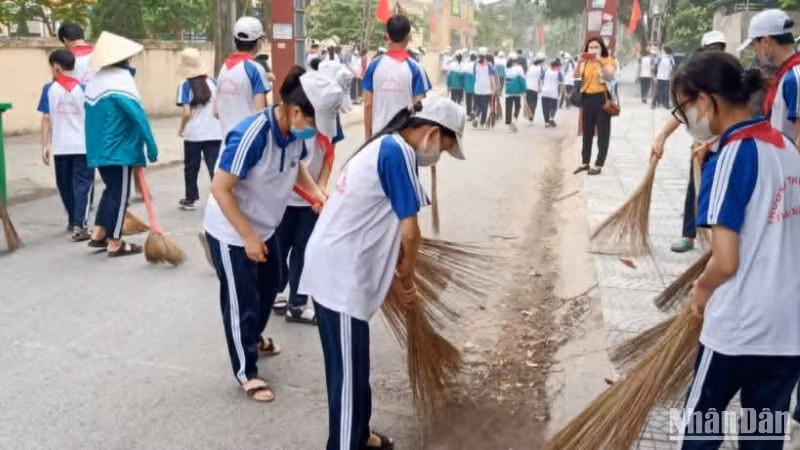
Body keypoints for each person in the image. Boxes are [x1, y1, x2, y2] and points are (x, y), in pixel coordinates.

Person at [298, 96, 466, 450]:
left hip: (344, 269)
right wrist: (408, 276)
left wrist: (397, 273)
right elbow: (409, 231)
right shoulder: (397, 152)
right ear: (433, 133)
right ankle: (346, 442)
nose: (440, 156)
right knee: (347, 375)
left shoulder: (387, 146)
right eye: (445, 147)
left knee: (355, 365)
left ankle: (359, 435)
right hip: (338, 277)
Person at [672, 50, 800, 447]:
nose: (685, 119)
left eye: (684, 108)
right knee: (763, 437)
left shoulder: (732, 156)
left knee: (700, 429)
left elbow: (725, 261)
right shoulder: (786, 147)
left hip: (739, 327)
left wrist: (703, 288)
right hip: (789, 328)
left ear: (706, 101)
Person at [203, 67, 340, 403]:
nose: (313, 132)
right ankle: (246, 371)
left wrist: (320, 197)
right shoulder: (252, 135)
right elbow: (221, 189)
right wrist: (248, 237)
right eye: (312, 122)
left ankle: (254, 336)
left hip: (265, 226)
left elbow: (298, 169)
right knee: (241, 300)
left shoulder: (294, 136)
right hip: (233, 230)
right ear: (295, 112)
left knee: (272, 282)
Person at [651, 32, 733, 253]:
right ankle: (688, 234)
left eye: (719, 49)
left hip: (728, 146)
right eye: (711, 49)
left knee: (722, 193)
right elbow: (681, 114)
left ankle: (720, 240)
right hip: (701, 146)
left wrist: (715, 141)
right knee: (694, 188)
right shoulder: (696, 82)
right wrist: (661, 137)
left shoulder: (731, 81)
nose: (716, 53)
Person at [84, 32, 158, 257]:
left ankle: (98, 233)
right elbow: (137, 115)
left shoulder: (95, 81)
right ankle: (115, 242)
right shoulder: (121, 81)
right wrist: (151, 146)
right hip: (120, 149)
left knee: (111, 189)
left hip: (98, 149)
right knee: (120, 194)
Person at [37, 49, 93, 241]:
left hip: (60, 146)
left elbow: (45, 118)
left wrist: (45, 145)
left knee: (65, 185)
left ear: (56, 67)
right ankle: (80, 224)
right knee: (82, 185)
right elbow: (92, 119)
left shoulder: (48, 89)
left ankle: (73, 220)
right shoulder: (85, 90)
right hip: (83, 146)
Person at [362, 14, 431, 138]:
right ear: (409, 36)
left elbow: (368, 103)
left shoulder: (373, 66)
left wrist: (368, 137)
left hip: (378, 137)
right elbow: (419, 108)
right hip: (405, 140)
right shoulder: (416, 69)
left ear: (387, 36)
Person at [739, 8, 800, 144]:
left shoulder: (795, 77)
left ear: (766, 42)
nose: (754, 50)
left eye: (754, 44)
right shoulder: (784, 75)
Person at [176, 48, 222, 211]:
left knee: (191, 168)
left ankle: (191, 199)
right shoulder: (214, 83)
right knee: (214, 167)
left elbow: (187, 112)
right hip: (214, 132)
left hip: (193, 134)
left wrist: (181, 128)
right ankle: (220, 198)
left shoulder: (185, 85)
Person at [215, 16, 270, 141]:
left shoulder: (224, 68)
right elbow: (260, 113)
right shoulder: (255, 69)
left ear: (235, 40)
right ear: (258, 42)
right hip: (248, 142)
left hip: (226, 141)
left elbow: (216, 111)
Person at [574, 38, 615, 176]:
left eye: (596, 47)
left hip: (601, 99)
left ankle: (598, 164)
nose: (593, 50)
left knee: (603, 133)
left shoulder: (607, 60)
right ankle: (585, 162)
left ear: (601, 48)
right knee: (587, 132)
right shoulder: (586, 62)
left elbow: (609, 77)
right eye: (590, 47)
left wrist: (600, 62)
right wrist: (579, 61)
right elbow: (576, 76)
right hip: (587, 99)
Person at [472, 47, 496, 129]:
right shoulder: (489, 65)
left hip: (477, 88)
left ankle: (476, 117)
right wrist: (494, 88)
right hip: (486, 89)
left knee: (479, 105)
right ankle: (482, 123)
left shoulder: (475, 64)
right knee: (485, 106)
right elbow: (492, 78)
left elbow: (475, 74)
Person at [504, 56, 526, 132]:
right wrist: (523, 91)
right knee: (517, 106)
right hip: (517, 91)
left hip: (508, 90)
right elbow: (522, 80)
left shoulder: (507, 68)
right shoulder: (519, 68)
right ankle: (514, 119)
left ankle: (508, 124)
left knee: (508, 107)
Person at [540, 59, 564, 128]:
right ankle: (551, 117)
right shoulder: (558, 73)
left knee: (545, 108)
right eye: (558, 66)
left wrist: (540, 88)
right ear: (556, 66)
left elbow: (540, 79)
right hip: (553, 93)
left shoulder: (546, 71)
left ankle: (546, 123)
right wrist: (562, 92)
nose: (559, 68)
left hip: (545, 93)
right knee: (554, 106)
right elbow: (562, 82)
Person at [525, 52, 546, 125]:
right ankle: (531, 119)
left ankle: (529, 118)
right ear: (542, 61)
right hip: (534, 88)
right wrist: (540, 88)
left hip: (527, 87)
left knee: (528, 103)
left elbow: (526, 76)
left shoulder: (530, 67)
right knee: (533, 104)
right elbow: (540, 79)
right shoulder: (541, 69)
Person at [462, 51, 477, 120]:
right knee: (476, 100)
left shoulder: (466, 65)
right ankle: (474, 112)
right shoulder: (477, 65)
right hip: (476, 86)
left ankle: (468, 114)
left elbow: (462, 73)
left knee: (468, 101)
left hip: (468, 86)